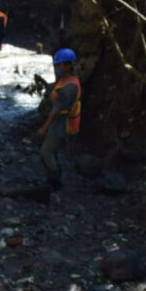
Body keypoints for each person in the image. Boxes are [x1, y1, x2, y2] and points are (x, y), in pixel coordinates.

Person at [37, 48, 82, 191]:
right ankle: (55, 178)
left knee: (46, 152)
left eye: (60, 65)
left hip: (62, 123)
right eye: (57, 65)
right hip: (59, 121)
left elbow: (57, 110)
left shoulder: (70, 87)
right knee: (53, 151)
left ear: (69, 66)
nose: (58, 68)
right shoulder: (65, 80)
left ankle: (55, 182)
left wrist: (44, 128)